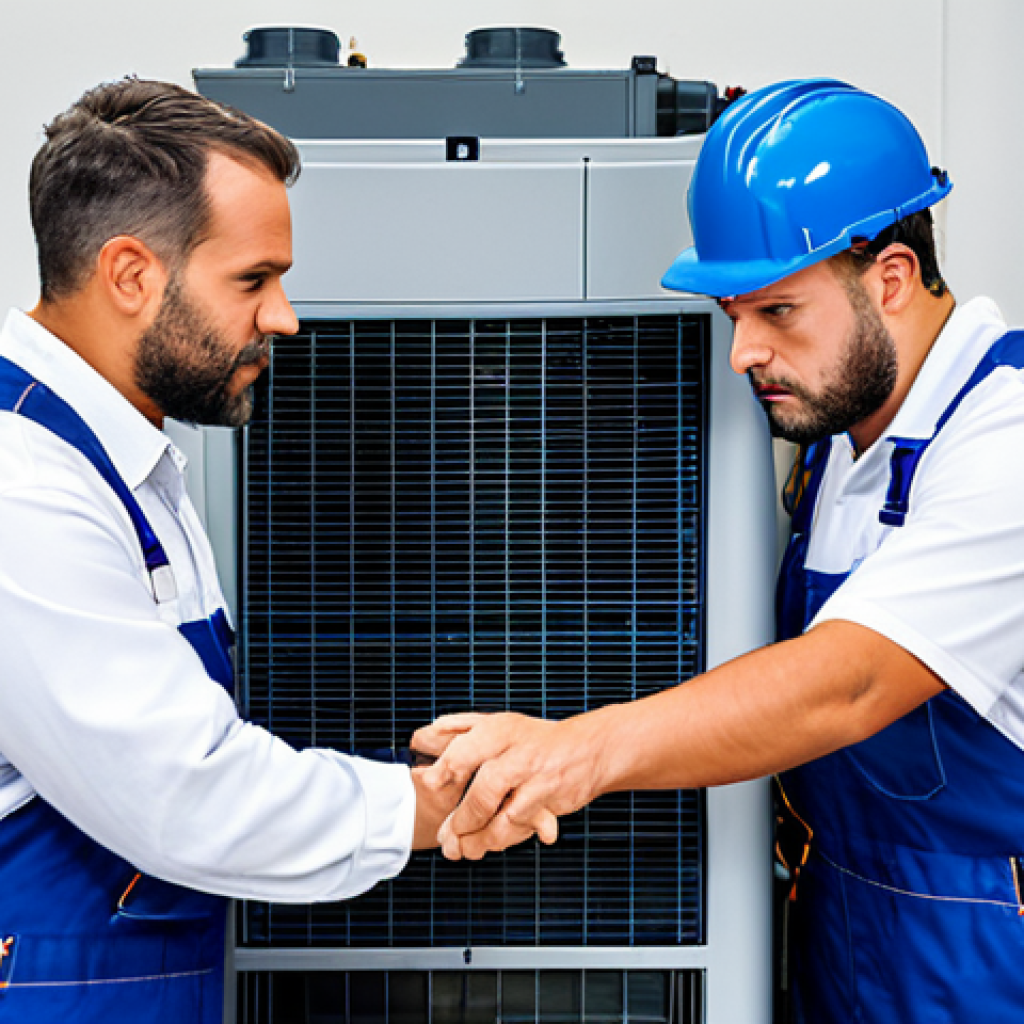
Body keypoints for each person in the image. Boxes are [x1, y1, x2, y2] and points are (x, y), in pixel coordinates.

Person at [415, 79, 1024, 1022]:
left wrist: (579, 752)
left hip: (985, 954)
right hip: (848, 933)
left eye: (778, 312)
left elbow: (849, 683)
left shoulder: (1004, 444)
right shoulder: (837, 442)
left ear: (891, 278)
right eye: (734, 315)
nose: (742, 354)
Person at [0, 78, 461, 1023]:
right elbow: (185, 795)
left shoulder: (126, 456)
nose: (284, 316)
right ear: (131, 275)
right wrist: (437, 805)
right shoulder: (24, 485)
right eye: (253, 280)